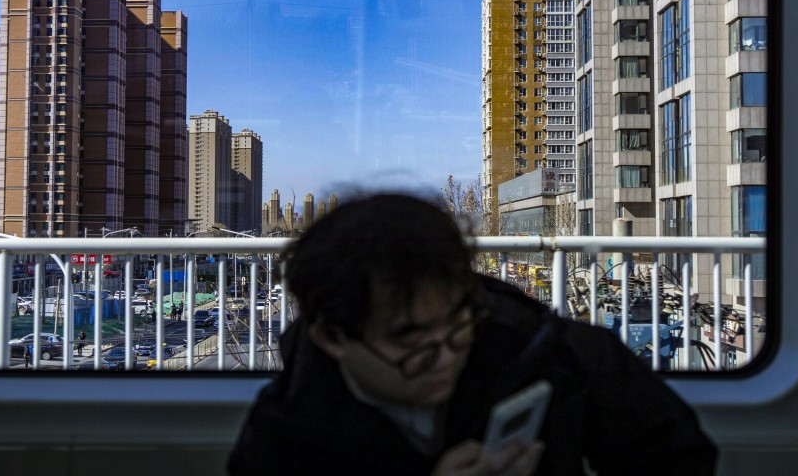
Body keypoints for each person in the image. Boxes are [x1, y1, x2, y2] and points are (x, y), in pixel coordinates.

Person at [228, 193, 717, 476]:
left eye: (458, 325)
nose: (445, 357)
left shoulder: (552, 353)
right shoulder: (286, 432)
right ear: (333, 338)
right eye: (412, 341)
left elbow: (681, 457)